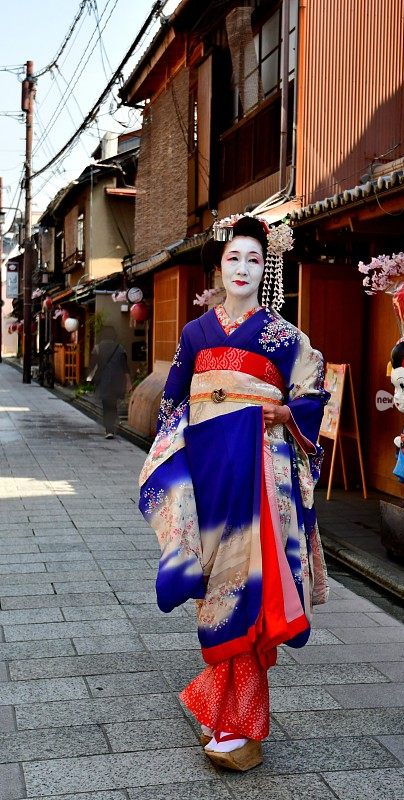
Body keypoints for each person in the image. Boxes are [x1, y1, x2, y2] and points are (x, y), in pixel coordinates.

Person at [139, 214, 329, 771]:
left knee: (250, 593)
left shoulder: (284, 336)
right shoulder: (197, 333)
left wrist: (284, 411)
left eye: (252, 259)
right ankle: (213, 705)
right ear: (219, 267)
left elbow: (315, 398)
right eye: (232, 259)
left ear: (264, 267)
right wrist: (181, 457)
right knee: (213, 594)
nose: (242, 269)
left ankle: (238, 723)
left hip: (262, 484)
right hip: (208, 479)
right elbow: (172, 406)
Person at [88, 326, 130, 439]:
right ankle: (111, 427)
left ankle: (109, 430)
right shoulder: (120, 348)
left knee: (106, 405)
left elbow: (92, 365)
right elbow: (125, 367)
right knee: (113, 404)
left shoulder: (97, 348)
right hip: (117, 380)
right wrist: (128, 382)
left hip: (103, 380)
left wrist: (89, 378)